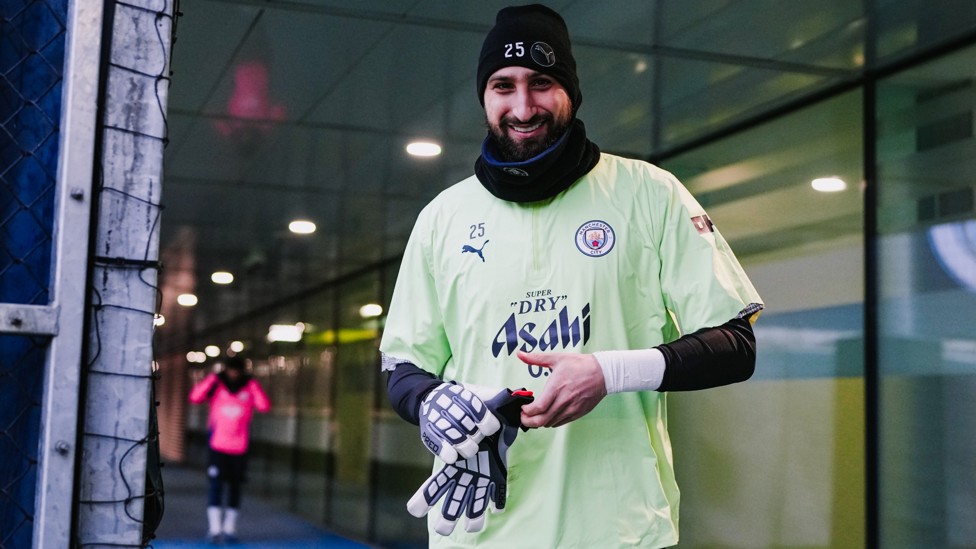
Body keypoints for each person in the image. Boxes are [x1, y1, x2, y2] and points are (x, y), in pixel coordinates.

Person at [379, 4, 763, 547]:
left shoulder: (649, 192)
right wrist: (431, 403)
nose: (523, 105)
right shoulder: (443, 217)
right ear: (484, 97)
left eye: (541, 83)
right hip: (480, 533)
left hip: (620, 530)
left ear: (570, 92)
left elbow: (735, 344)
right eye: (502, 85)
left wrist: (609, 371)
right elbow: (404, 366)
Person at [188, 355, 271, 543]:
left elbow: (264, 406)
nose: (234, 374)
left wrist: (254, 385)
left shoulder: (249, 388)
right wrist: (211, 379)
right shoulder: (217, 385)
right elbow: (195, 397)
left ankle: (229, 529)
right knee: (216, 486)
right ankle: (215, 529)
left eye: (237, 371)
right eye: (231, 370)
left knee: (235, 488)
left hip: (239, 447)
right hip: (218, 445)